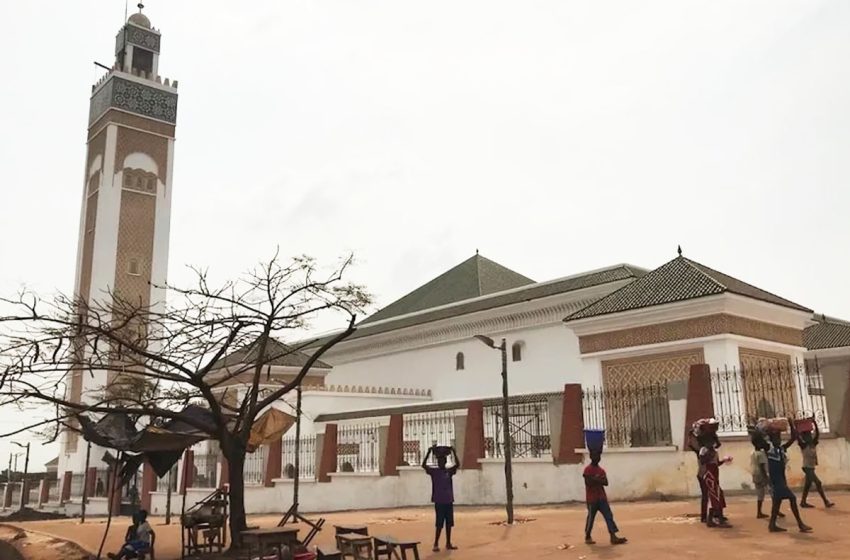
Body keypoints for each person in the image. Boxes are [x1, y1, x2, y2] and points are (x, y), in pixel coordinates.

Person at [765, 422, 812, 533]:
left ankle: (772, 525)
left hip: (780, 479)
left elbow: (793, 438)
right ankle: (800, 524)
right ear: (771, 439)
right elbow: (758, 438)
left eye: (779, 438)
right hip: (776, 480)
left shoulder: (781, 449)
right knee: (792, 498)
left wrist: (791, 424)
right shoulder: (769, 449)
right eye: (776, 438)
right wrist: (767, 429)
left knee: (777, 503)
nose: (779, 440)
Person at [583, 449, 627, 545]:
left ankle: (613, 536)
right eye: (595, 456)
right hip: (592, 499)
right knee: (591, 518)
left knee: (608, 516)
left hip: (601, 497)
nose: (597, 458)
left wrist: (594, 479)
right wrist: (599, 479)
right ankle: (587, 535)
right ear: (591, 457)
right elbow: (588, 482)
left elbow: (605, 482)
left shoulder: (601, 470)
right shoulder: (588, 469)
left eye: (598, 456)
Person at [422, 446, 459, 552]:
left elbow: (458, 465)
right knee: (439, 524)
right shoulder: (434, 472)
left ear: (445, 461)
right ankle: (436, 543)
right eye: (439, 461)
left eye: (443, 461)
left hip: (448, 501)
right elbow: (423, 465)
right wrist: (428, 452)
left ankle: (448, 543)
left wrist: (453, 452)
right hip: (439, 501)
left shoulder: (449, 471)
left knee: (449, 523)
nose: (441, 463)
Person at [797, 418, 834, 509]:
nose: (809, 436)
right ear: (804, 437)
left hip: (811, 467)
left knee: (807, 485)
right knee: (818, 483)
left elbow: (817, 434)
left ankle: (803, 502)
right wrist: (795, 427)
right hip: (807, 467)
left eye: (809, 434)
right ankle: (826, 501)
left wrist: (814, 423)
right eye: (807, 435)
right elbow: (797, 436)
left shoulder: (812, 443)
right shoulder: (803, 445)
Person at [697, 431, 731, 528]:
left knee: (718, 495)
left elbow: (716, 463)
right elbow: (703, 461)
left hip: (714, 474)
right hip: (708, 475)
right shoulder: (704, 450)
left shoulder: (713, 451)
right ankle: (714, 519)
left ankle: (714, 518)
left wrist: (724, 461)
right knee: (714, 496)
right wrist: (710, 453)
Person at [749, 428, 771, 519]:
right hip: (761, 475)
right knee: (771, 491)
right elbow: (762, 467)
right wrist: (766, 477)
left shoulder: (753, 452)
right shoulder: (761, 454)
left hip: (755, 474)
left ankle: (759, 512)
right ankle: (776, 510)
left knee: (760, 494)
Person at [688, 439, 708, 523]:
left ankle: (706, 515)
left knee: (707, 496)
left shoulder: (701, 451)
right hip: (703, 475)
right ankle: (705, 516)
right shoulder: (703, 452)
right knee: (706, 496)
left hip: (703, 475)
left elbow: (691, 446)